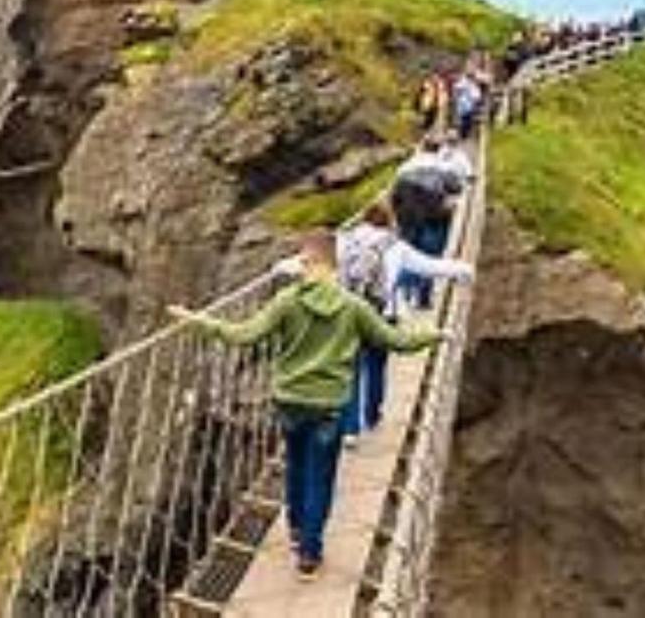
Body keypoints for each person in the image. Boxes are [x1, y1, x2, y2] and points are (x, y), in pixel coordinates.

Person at [167, 231, 444, 580]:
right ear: (335, 264)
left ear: (308, 262)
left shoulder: (287, 301)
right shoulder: (353, 306)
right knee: (322, 477)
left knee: (296, 465)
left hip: (290, 402)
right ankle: (309, 555)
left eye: (302, 261)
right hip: (329, 406)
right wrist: (434, 334)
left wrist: (195, 321)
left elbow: (242, 335)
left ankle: (297, 529)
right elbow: (395, 341)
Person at [336, 202, 474, 443]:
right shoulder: (396, 246)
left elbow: (308, 260)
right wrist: (463, 269)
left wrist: (281, 268)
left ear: (363, 221)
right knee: (376, 365)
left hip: (347, 312)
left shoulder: (343, 240)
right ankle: (372, 415)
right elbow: (429, 266)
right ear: (389, 222)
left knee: (350, 370)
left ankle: (349, 429)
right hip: (381, 313)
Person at [392, 139, 462, 308]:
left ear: (421, 148)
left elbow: (395, 195)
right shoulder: (445, 167)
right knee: (430, 257)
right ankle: (423, 297)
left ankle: (404, 293)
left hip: (407, 220)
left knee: (407, 254)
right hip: (434, 218)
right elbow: (457, 187)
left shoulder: (404, 168)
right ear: (438, 149)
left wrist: (397, 217)